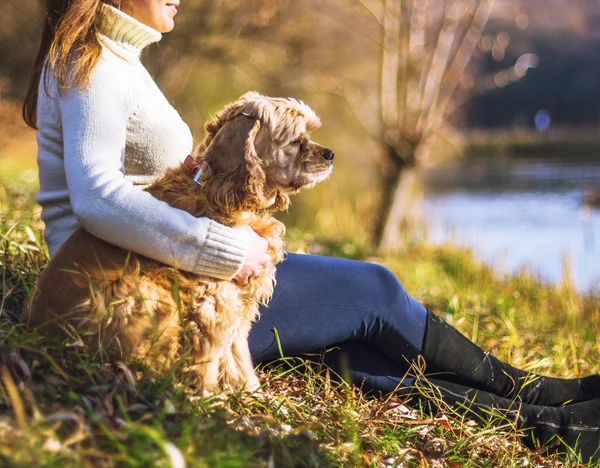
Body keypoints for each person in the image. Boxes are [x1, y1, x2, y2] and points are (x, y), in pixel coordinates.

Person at [23, 0, 600, 462]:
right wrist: (224, 247)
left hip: (171, 271)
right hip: (144, 293)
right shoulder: (89, 63)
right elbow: (97, 198)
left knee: (349, 348)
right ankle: (541, 401)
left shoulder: (118, 59)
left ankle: (549, 422)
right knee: (373, 292)